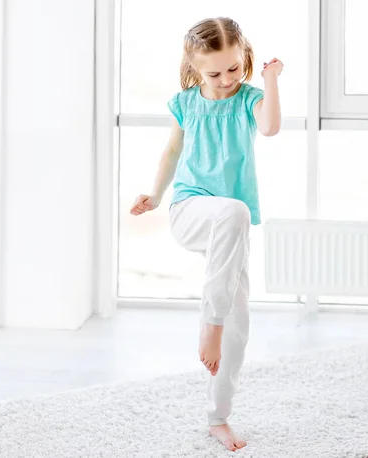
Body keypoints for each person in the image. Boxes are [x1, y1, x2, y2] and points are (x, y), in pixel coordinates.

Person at [130, 16, 282, 452]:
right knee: (233, 212)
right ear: (195, 69)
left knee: (241, 320)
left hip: (229, 228)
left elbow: (270, 127)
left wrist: (270, 79)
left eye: (234, 68)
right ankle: (209, 323)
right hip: (191, 209)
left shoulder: (249, 99)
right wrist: (156, 196)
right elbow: (173, 149)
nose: (226, 79)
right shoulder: (186, 102)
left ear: (244, 58)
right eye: (214, 73)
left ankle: (218, 417)